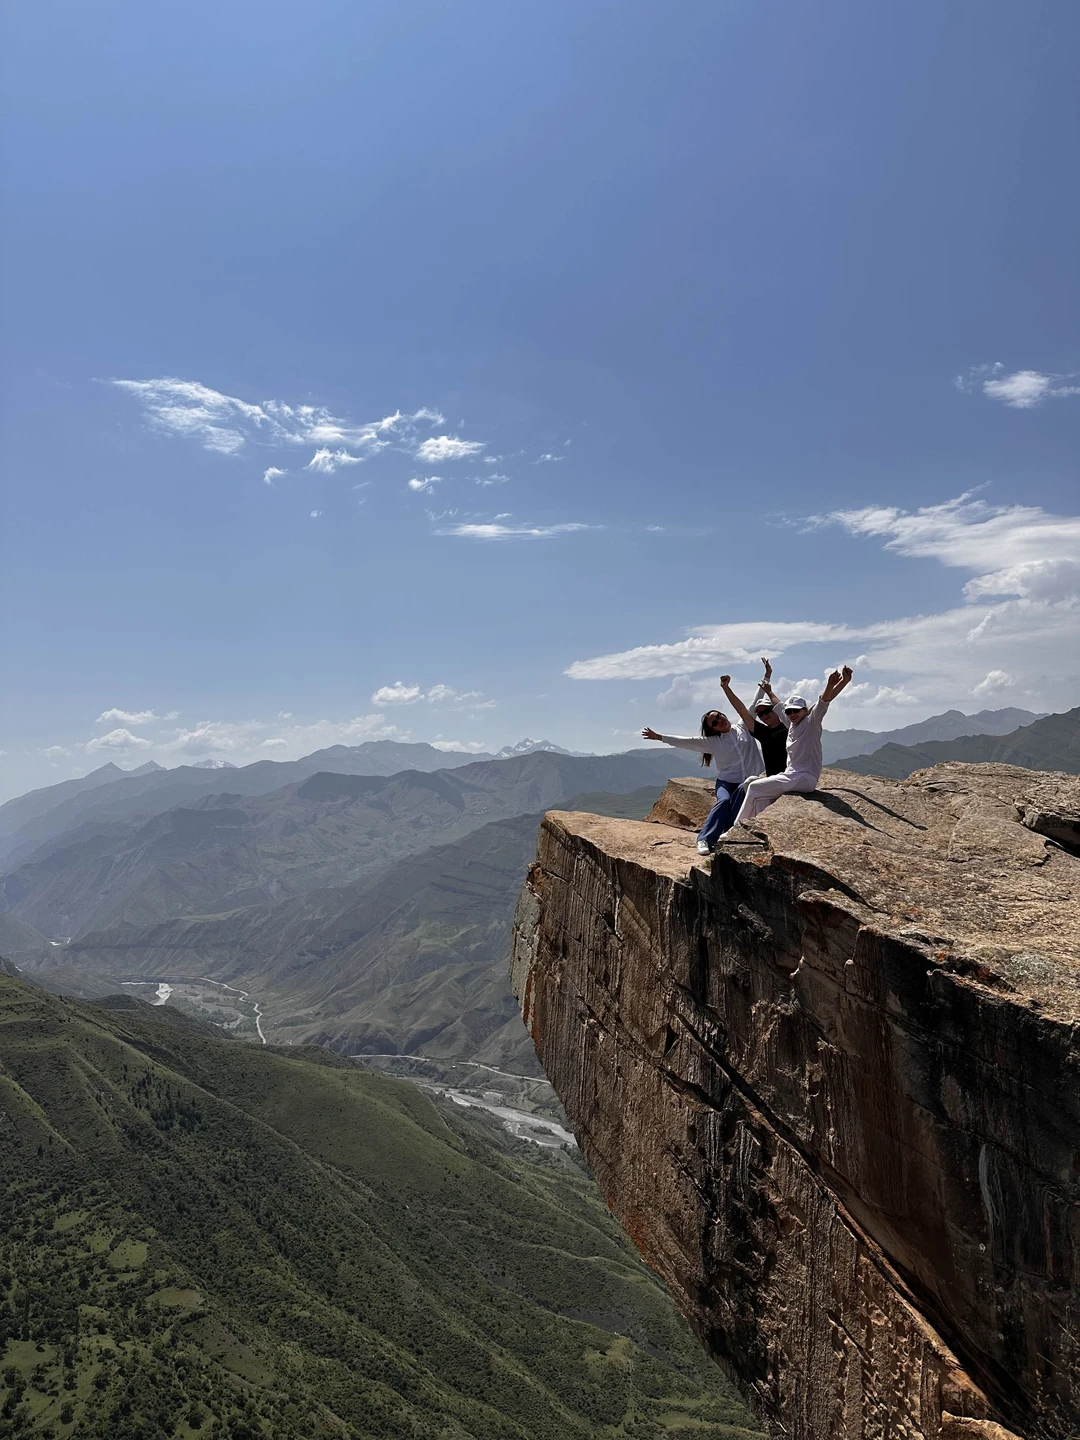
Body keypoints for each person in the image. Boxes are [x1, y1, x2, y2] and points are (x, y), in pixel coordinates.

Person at [717, 665, 854, 838]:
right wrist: (768, 690)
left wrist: (837, 683)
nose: (792, 714)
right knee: (757, 794)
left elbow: (823, 702)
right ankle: (756, 832)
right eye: (790, 711)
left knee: (754, 787)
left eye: (797, 710)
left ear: (805, 711)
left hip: (803, 777)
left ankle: (735, 831)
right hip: (789, 776)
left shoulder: (810, 724)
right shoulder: (789, 724)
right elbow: (777, 705)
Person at [641, 707, 762, 855]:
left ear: (723, 714)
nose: (720, 721)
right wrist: (660, 737)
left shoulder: (743, 726)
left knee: (745, 789)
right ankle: (704, 839)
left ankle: (728, 832)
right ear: (714, 729)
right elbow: (686, 742)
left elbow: (750, 706)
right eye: (715, 723)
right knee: (724, 801)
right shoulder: (713, 742)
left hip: (744, 781)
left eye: (719, 716)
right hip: (726, 782)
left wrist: (764, 687)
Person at [720, 658, 788, 777]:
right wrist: (726, 688)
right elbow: (742, 711)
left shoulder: (790, 724)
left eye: (767, 711)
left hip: (793, 777)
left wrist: (768, 676)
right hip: (774, 781)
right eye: (760, 714)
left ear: (775, 710)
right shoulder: (763, 732)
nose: (764, 716)